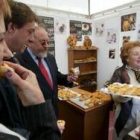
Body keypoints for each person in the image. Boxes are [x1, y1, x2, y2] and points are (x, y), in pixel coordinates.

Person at [0, 0, 61, 139]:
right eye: (30, 32)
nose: (30, 39)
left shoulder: (49, 58)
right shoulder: (18, 62)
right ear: (11, 28)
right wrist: (46, 126)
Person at [16, 26, 78, 118]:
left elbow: (55, 76)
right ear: (29, 41)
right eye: (43, 42)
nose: (47, 46)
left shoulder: (50, 57)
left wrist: (67, 78)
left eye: (48, 42)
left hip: (54, 110)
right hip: (35, 116)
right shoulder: (18, 62)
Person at [107, 41, 140, 140]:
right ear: (126, 58)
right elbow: (113, 95)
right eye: (136, 54)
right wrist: (123, 95)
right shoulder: (120, 72)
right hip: (127, 116)